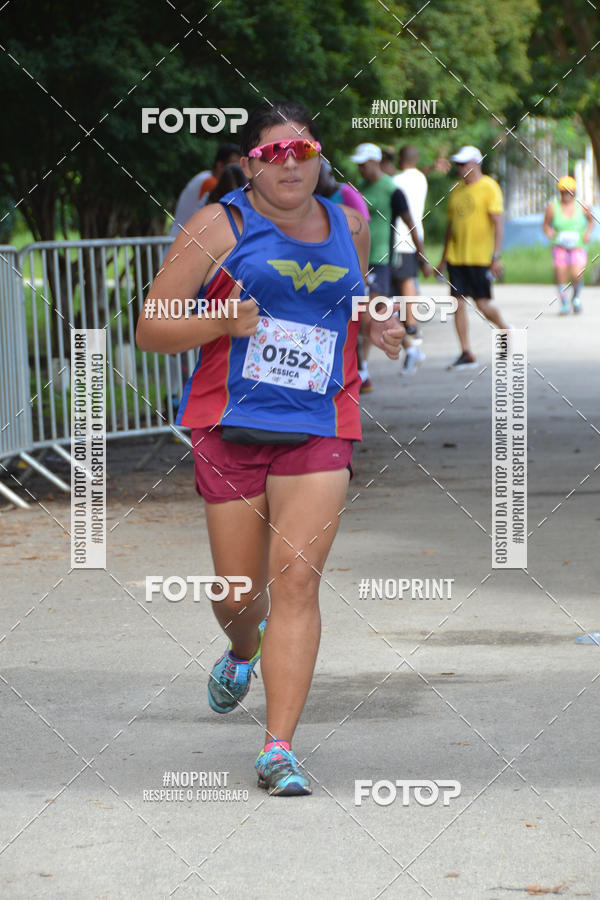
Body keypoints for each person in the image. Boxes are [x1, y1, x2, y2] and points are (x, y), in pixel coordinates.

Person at [137, 100, 404, 797]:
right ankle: (240, 647)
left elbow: (351, 298)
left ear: (319, 156)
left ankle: (278, 747)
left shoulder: (349, 221)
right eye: (276, 153)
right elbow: (151, 326)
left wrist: (375, 320)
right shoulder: (216, 224)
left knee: (296, 581)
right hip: (230, 425)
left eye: (305, 149)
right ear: (252, 163)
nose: (292, 163)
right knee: (239, 593)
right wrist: (220, 319)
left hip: (320, 422)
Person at [352, 142, 426, 390]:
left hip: (381, 259)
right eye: (358, 165)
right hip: (358, 259)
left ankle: (361, 372)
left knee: (368, 316)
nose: (360, 169)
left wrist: (421, 255)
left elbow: (410, 222)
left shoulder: (392, 190)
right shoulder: (358, 188)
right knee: (373, 316)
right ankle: (410, 348)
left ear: (375, 162)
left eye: (363, 165)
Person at [438, 145, 509, 369]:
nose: (461, 169)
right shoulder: (456, 190)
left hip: (480, 257)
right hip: (457, 258)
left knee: (483, 305)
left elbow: (498, 223)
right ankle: (466, 352)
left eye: (465, 164)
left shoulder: (489, 187)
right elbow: (451, 227)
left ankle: (505, 330)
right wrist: (442, 258)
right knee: (457, 303)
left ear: (476, 163)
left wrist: (495, 256)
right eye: (458, 165)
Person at [392, 145, 432, 374]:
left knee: (405, 280)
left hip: (400, 235)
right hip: (416, 233)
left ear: (400, 158)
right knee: (409, 279)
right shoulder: (422, 179)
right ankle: (411, 322)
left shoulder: (396, 180)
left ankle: (412, 325)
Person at [542, 175, 593, 315]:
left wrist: (587, 233)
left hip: (578, 246)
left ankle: (575, 298)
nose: (566, 195)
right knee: (561, 274)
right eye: (563, 192)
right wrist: (550, 232)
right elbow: (546, 226)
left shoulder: (582, 206)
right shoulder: (552, 208)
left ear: (574, 192)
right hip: (560, 246)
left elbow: (591, 221)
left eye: (569, 191)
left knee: (577, 274)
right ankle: (564, 303)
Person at [168, 143, 241, 238]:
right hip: (187, 243)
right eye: (233, 168)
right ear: (220, 166)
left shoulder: (204, 177)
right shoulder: (210, 182)